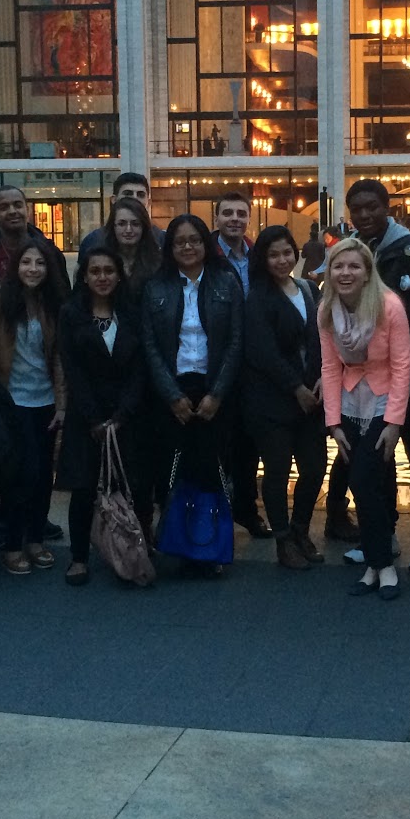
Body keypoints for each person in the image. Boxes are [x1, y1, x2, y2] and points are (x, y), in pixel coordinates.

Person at [328, 179, 410, 571]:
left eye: (371, 207)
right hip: (369, 385)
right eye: (356, 208)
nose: (364, 215)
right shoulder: (353, 252)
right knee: (379, 461)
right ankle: (383, 534)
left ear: (386, 206)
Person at [140, 214, 244, 575]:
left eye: (194, 240)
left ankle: (210, 545)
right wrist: (171, 396)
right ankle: (180, 543)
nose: (187, 246)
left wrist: (217, 394)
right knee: (174, 469)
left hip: (215, 390)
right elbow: (150, 346)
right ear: (169, 248)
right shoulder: (156, 287)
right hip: (173, 391)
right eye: (179, 241)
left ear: (206, 244)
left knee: (212, 469)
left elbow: (235, 342)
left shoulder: (226, 282)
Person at [319, 237, 410, 600]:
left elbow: (402, 365)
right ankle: (376, 563)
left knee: (362, 478)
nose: (346, 273)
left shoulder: (389, 306)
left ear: (367, 271)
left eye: (354, 266)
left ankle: (382, 562)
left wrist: (394, 421)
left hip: (383, 395)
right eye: (338, 266)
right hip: (348, 397)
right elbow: (328, 366)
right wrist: (333, 422)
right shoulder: (327, 310)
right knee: (377, 481)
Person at [57, 246, 148, 585]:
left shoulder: (132, 314)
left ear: (119, 276)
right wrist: (95, 418)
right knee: (84, 488)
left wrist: (123, 413)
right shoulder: (70, 314)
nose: (103, 277)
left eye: (109, 271)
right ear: (84, 276)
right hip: (87, 418)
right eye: (95, 271)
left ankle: (133, 548)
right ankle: (79, 557)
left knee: (131, 486)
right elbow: (73, 370)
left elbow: (140, 368)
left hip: (128, 415)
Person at [0, 237, 67, 574]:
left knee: (45, 474)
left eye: (40, 263)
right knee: (21, 474)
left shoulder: (53, 302)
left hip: (45, 399)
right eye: (27, 262)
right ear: (15, 266)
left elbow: (59, 358)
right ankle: (14, 543)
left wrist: (61, 403)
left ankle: (35, 540)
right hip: (10, 401)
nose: (33, 269)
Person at [242, 225, 326, 570]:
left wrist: (320, 377)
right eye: (273, 254)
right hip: (272, 401)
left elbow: (321, 338)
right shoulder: (258, 297)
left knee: (315, 466)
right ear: (262, 258)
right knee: (277, 471)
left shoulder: (306, 288)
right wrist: (297, 388)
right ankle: (283, 539)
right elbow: (263, 352)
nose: (281, 260)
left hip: (311, 398)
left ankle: (301, 529)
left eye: (287, 252)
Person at [211, 190, 270, 538]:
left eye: (240, 213)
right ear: (216, 218)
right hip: (217, 361)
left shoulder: (257, 256)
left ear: (249, 218)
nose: (234, 218)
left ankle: (247, 509)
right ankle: (216, 511)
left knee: (250, 443)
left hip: (254, 362)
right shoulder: (206, 254)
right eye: (227, 213)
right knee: (218, 442)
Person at [0, 184, 64, 293]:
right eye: (4, 207)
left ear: (27, 210)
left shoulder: (51, 252)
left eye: (18, 205)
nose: (12, 211)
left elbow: (63, 295)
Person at [79, 172, 164, 256]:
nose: (134, 199)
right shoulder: (93, 241)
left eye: (140, 195)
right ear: (114, 200)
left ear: (149, 202)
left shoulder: (163, 240)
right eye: (128, 194)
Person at [101, 195, 163, 288]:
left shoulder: (159, 262)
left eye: (135, 224)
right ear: (113, 226)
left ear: (144, 227)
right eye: (122, 224)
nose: (129, 230)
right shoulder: (100, 260)